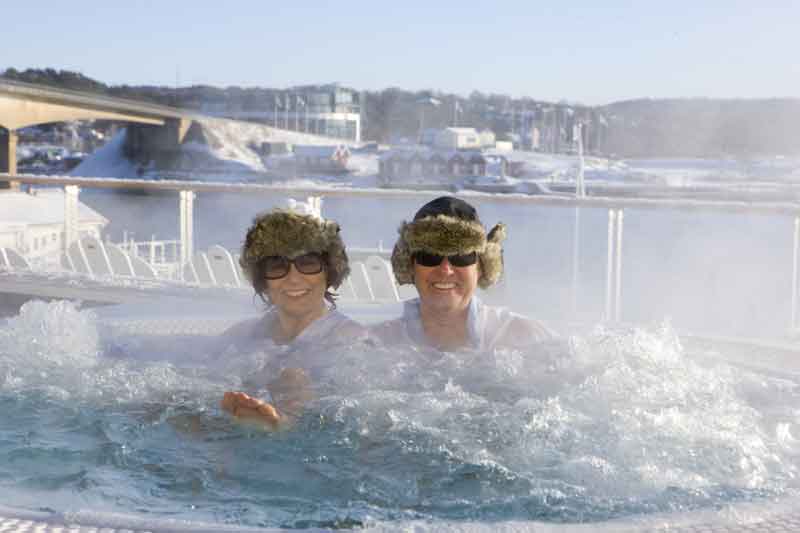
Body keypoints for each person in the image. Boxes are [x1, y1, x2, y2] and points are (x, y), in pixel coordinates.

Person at [220, 206, 366, 429]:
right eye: (277, 265)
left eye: (308, 263)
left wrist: (296, 412)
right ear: (263, 279)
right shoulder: (240, 335)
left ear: (329, 271)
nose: (293, 279)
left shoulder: (356, 342)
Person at [372, 196, 553, 352]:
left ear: (481, 267)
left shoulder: (524, 338)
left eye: (461, 257)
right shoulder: (377, 341)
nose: (445, 269)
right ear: (410, 265)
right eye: (430, 256)